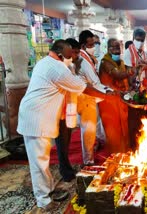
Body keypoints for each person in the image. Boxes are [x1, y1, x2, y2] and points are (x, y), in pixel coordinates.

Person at [17, 40, 110, 212]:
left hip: (38, 115)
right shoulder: (57, 68)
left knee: (42, 159)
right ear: (60, 55)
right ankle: (43, 199)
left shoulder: (46, 62)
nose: (71, 59)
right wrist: (111, 97)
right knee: (39, 161)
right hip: (36, 118)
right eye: (69, 56)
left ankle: (49, 190)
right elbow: (83, 88)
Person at [77, 30, 110, 166]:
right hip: (85, 98)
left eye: (95, 43)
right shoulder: (82, 60)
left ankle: (97, 145)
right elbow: (95, 82)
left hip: (92, 96)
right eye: (91, 44)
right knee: (88, 129)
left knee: (95, 125)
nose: (94, 46)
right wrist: (110, 93)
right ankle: (88, 160)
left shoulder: (88, 58)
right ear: (84, 45)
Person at [99, 38, 133, 155]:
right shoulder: (105, 62)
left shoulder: (121, 62)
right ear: (108, 49)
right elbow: (117, 75)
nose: (117, 50)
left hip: (121, 99)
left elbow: (125, 79)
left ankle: (124, 153)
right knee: (113, 129)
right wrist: (131, 71)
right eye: (114, 47)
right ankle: (115, 155)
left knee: (124, 127)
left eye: (118, 47)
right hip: (109, 102)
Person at [54, 38, 81, 183]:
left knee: (66, 141)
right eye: (71, 54)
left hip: (66, 109)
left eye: (75, 53)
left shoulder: (70, 66)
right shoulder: (59, 67)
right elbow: (79, 86)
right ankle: (65, 171)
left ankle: (66, 168)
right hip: (58, 111)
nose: (74, 56)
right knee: (61, 142)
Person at [123, 28, 147, 148]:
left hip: (142, 88)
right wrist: (133, 92)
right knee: (133, 118)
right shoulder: (128, 53)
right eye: (138, 40)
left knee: (142, 118)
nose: (140, 42)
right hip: (132, 90)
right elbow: (128, 73)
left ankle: (141, 143)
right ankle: (132, 145)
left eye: (142, 40)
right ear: (133, 38)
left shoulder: (143, 52)